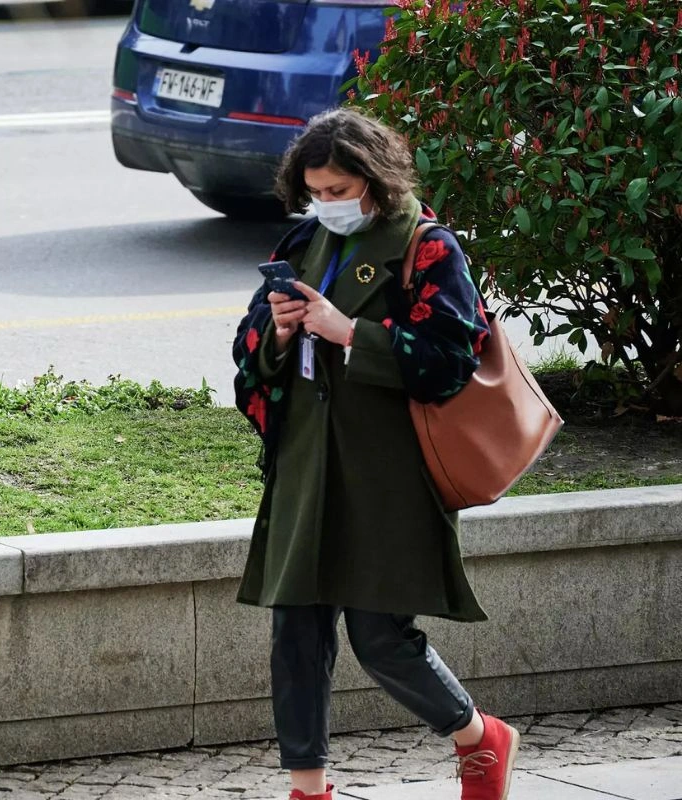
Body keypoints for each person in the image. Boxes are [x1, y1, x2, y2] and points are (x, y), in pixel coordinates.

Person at [231, 108, 518, 800]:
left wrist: (351, 332)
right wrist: (275, 334)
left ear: (375, 180)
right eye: (315, 192)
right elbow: (247, 356)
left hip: (388, 473)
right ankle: (308, 788)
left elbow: (453, 358)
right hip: (306, 463)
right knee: (295, 634)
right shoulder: (302, 240)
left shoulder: (428, 248)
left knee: (380, 637)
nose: (324, 205)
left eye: (337, 191)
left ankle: (479, 738)